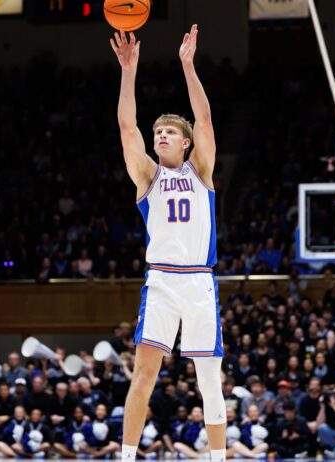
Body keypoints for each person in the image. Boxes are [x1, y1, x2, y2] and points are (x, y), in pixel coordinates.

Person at [110, 24, 225, 462]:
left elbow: (206, 119)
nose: (160, 135)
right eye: (157, 132)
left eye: (169, 132)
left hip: (198, 282)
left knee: (209, 380)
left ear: (187, 142)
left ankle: (218, 460)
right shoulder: (147, 175)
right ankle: (126, 457)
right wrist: (128, 72)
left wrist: (188, 66)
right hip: (160, 281)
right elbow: (127, 126)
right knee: (143, 376)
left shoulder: (201, 170)